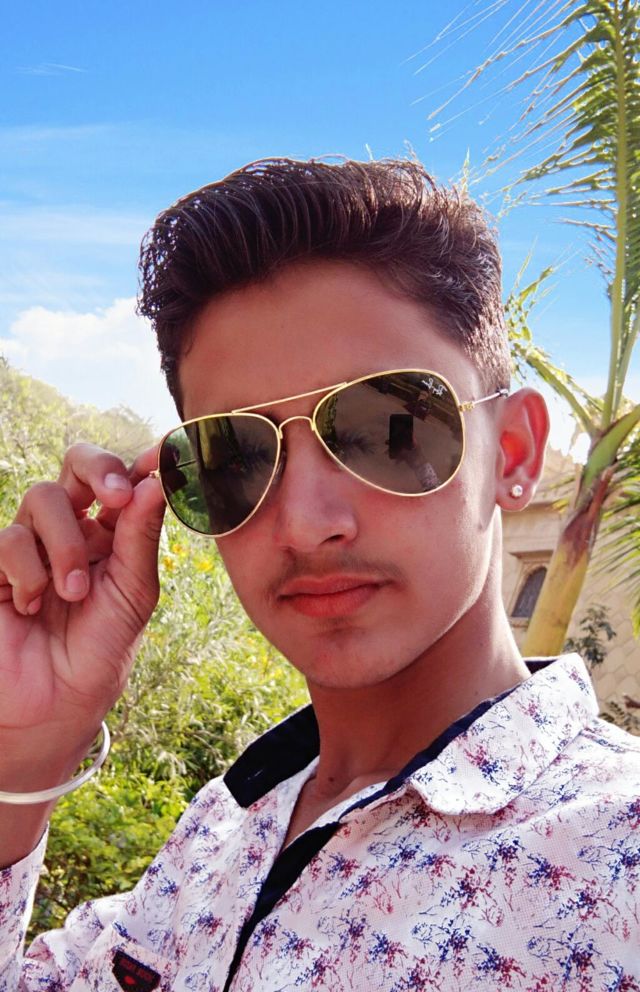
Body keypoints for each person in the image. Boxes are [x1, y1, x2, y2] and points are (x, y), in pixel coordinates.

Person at [0, 158, 638, 991]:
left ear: (512, 453)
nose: (304, 523)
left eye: (387, 429)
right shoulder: (220, 835)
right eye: (236, 457)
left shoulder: (614, 858)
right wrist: (23, 760)